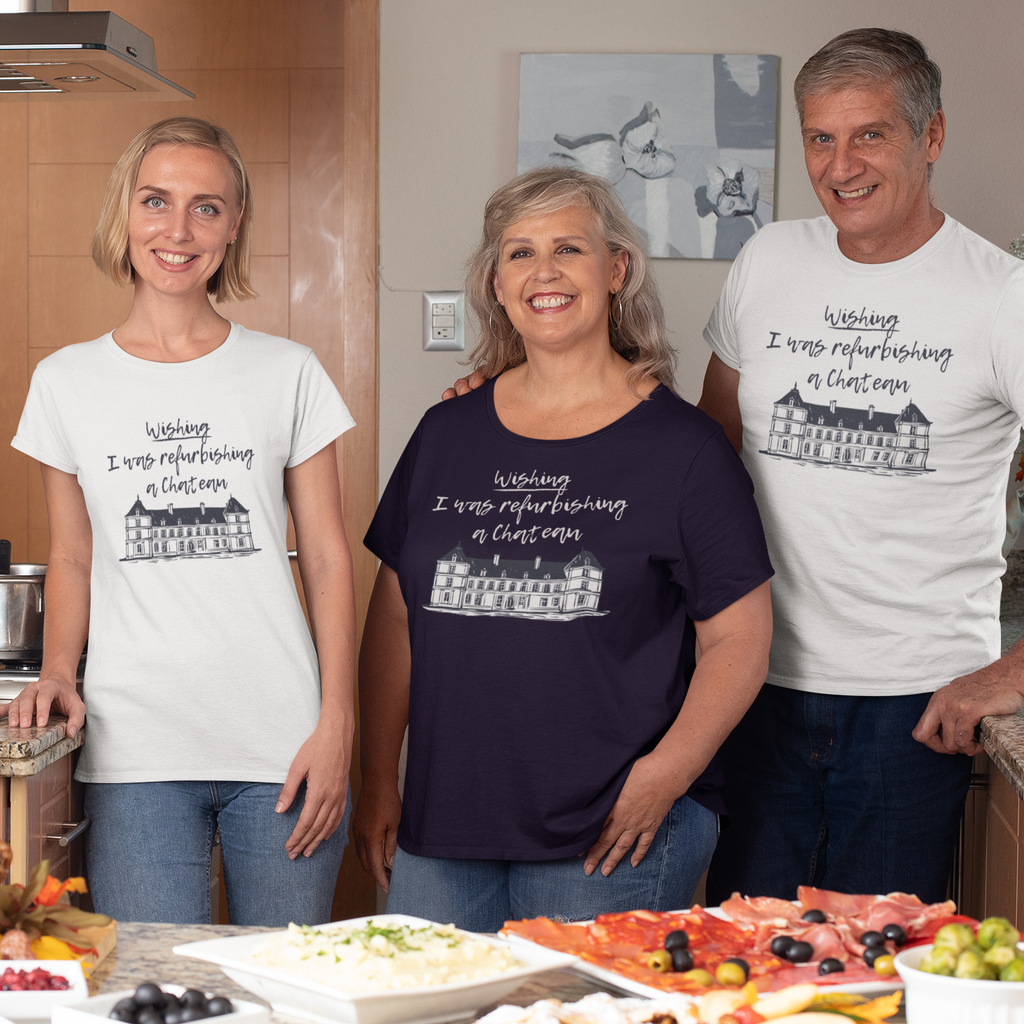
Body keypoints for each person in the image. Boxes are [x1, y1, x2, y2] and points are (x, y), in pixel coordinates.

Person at [354, 166, 773, 932]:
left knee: (573, 1003)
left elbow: (740, 639)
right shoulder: (446, 434)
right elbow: (395, 617)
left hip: (611, 829)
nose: (543, 271)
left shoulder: (685, 449)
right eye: (520, 252)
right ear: (497, 283)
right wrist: (378, 777)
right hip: (446, 824)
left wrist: (665, 776)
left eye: (569, 248)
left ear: (616, 270)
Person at [696, 28, 1024, 904]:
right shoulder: (767, 259)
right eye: (820, 137)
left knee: (873, 956)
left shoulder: (1002, 296)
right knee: (741, 949)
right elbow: (708, 442)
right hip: (752, 678)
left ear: (932, 135)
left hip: (914, 703)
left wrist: (1009, 673)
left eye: (869, 134)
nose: (841, 166)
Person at [8, 117, 356, 925]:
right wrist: (56, 669)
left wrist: (338, 723)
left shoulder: (288, 372)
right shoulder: (65, 380)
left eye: (207, 207)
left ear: (234, 227)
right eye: (156, 201)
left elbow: (328, 560)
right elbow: (73, 554)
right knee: (152, 984)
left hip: (285, 743)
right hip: (136, 750)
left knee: (283, 984)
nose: (178, 230)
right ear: (124, 214)